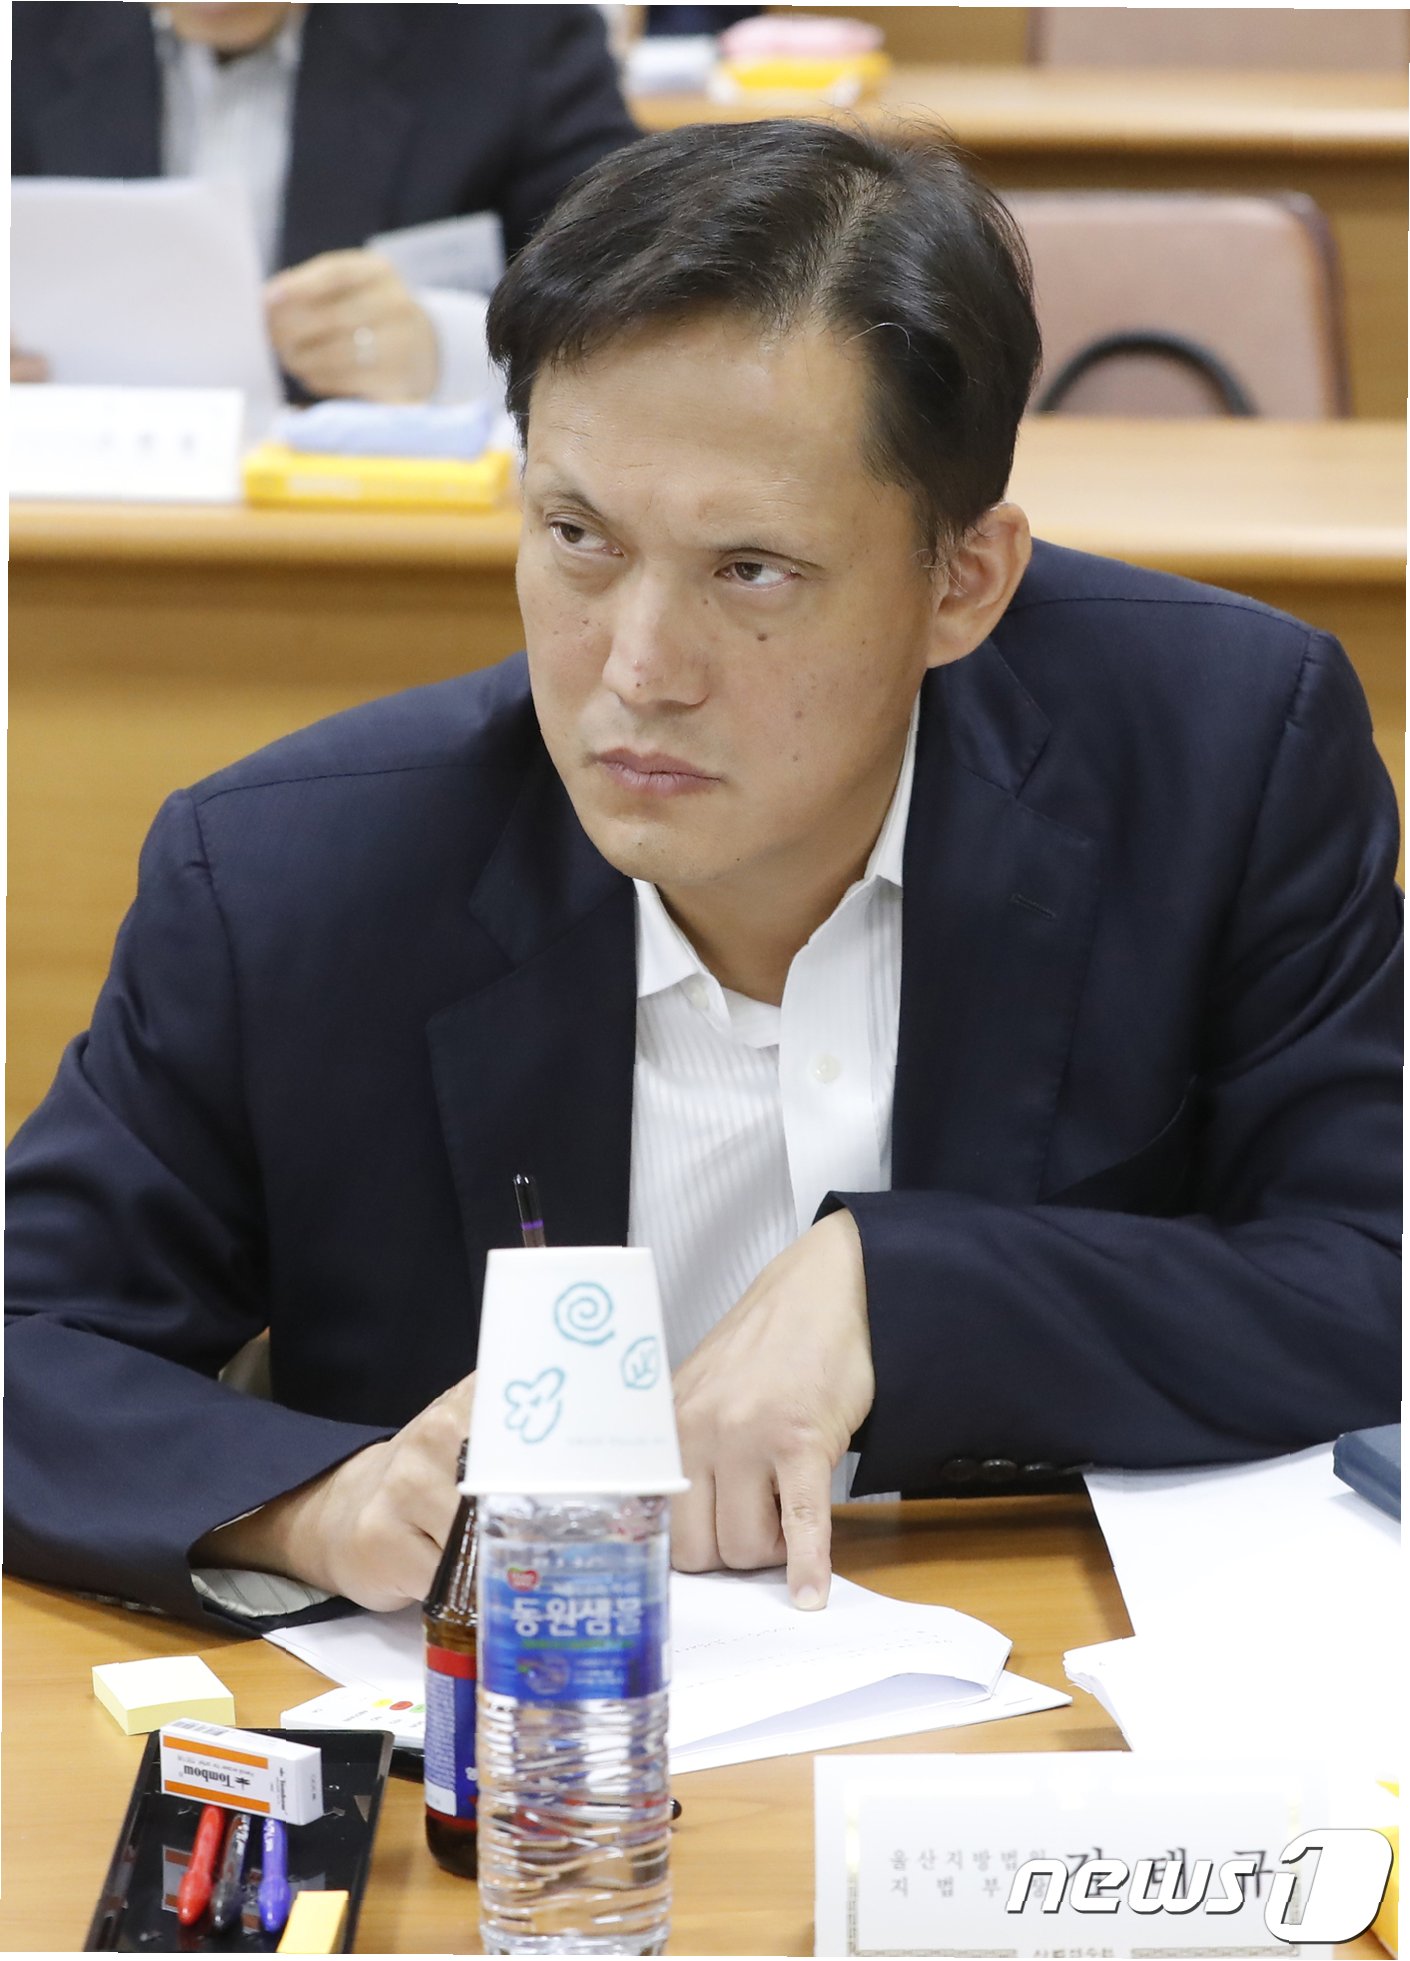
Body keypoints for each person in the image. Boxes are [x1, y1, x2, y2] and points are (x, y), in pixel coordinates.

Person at [5, 121, 1400, 1633]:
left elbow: (1371, 1270)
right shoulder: (289, 878)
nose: (638, 669)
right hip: (520, 1742)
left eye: (750, 570)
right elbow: (30, 1335)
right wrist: (321, 1503)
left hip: (1058, 1702)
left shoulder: (1218, 761)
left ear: (964, 580)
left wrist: (903, 1290)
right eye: (578, 537)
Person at [9, 2, 638, 402]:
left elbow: (628, 282)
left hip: (384, 513)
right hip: (79, 502)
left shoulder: (508, 31)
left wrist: (445, 351)